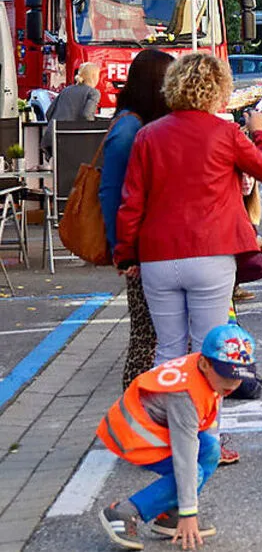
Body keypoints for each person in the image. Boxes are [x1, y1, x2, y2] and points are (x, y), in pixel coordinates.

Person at [115, 53, 262, 367]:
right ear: (220, 89)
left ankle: (169, 414)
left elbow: (131, 203)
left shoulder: (147, 136)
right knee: (209, 350)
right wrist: (261, 132)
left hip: (158, 256)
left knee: (167, 350)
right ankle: (202, 417)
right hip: (211, 251)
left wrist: (126, 254)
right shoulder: (227, 134)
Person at [96, 324, 259, 551]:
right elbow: (185, 457)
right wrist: (189, 512)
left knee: (211, 449)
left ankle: (169, 515)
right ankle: (124, 511)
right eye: (227, 375)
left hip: (155, 427)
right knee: (194, 471)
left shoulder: (204, 370)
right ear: (204, 364)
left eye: (240, 376)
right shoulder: (184, 396)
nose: (233, 384)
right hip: (135, 435)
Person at [101, 50, 174, 389]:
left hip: (152, 245)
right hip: (140, 248)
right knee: (147, 336)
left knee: (157, 336)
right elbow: (113, 193)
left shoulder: (142, 125)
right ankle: (137, 409)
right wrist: (122, 249)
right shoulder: (130, 128)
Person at [41, 62, 101, 154]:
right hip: (71, 141)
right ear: (94, 76)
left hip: (51, 138)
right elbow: (87, 115)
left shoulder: (66, 90)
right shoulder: (93, 92)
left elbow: (49, 113)